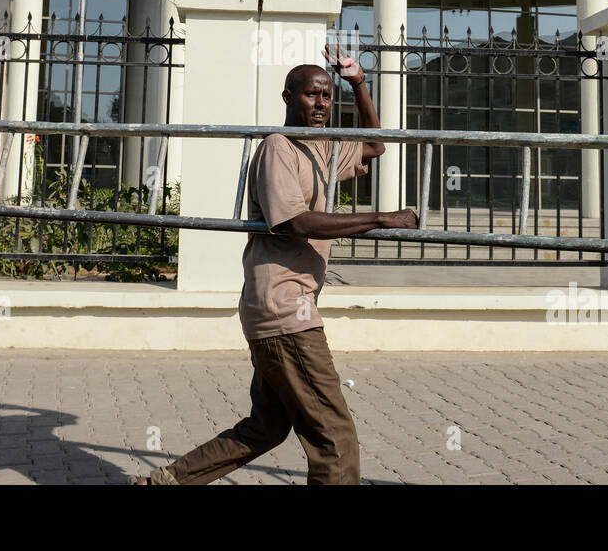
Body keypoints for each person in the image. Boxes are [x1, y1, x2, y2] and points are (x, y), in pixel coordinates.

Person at [132, 45, 417, 484]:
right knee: (334, 438)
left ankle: (167, 480)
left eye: (326, 96)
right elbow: (296, 221)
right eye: (310, 95)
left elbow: (376, 145)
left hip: (282, 308)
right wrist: (382, 218)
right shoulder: (277, 149)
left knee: (264, 428)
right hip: (285, 310)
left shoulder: (322, 147)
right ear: (288, 98)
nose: (320, 104)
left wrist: (358, 82)